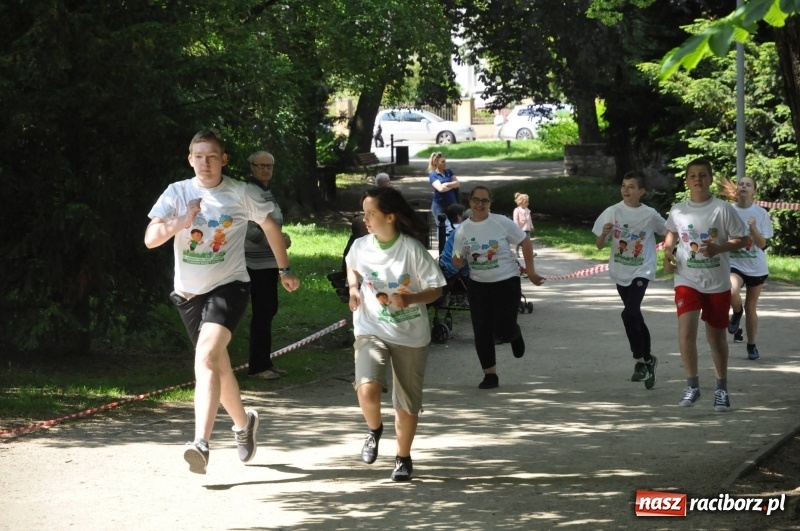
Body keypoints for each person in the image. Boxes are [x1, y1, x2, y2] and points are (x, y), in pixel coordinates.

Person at [144, 129, 300, 474]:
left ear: (223, 160)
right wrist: (181, 221)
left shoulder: (240, 192)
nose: (205, 163)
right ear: (190, 160)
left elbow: (271, 227)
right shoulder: (177, 192)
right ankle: (244, 424)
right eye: (199, 157)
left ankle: (200, 442)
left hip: (230, 286)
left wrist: (284, 269)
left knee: (206, 356)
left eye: (212, 157)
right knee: (219, 365)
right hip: (188, 293)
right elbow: (151, 239)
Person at [345, 187, 446, 482]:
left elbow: (436, 289)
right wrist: (353, 289)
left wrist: (411, 299)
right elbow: (351, 264)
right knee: (367, 387)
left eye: (371, 213)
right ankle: (374, 429)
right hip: (370, 327)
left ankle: (403, 457)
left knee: (406, 403)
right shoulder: (361, 246)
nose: (365, 219)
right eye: (364, 213)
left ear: (390, 217)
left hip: (410, 334)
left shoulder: (412, 249)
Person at [663, 158, 747, 412]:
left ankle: (721, 389)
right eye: (692, 175)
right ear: (687, 181)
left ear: (710, 179)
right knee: (686, 331)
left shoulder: (723, 209)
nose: (697, 179)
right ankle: (692, 386)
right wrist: (667, 252)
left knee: (716, 338)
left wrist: (719, 248)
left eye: (702, 175)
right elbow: (671, 232)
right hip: (686, 279)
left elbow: (742, 240)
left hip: (716, 282)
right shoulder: (678, 210)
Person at [451, 186, 544, 389]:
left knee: (504, 329)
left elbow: (525, 241)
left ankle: (514, 333)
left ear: (490, 203)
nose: (480, 204)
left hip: (506, 282)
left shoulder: (501, 222)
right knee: (482, 331)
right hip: (478, 285)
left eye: (484, 201)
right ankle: (490, 375)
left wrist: (531, 271)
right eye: (476, 200)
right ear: (470, 202)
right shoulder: (463, 229)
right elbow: (457, 258)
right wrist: (457, 261)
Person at [592, 171, 667, 389]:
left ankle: (640, 358)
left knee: (629, 313)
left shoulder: (650, 214)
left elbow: (668, 231)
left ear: (641, 191)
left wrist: (671, 251)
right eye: (624, 185)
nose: (626, 190)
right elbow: (599, 245)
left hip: (642, 269)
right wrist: (603, 234)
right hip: (620, 270)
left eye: (631, 187)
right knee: (635, 316)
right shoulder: (612, 212)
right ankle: (646, 361)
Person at [244, 150, 293, 380]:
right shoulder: (249, 191)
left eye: (269, 166)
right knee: (262, 312)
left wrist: (280, 240)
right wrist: (277, 241)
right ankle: (258, 366)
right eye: (260, 166)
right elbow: (249, 230)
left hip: (270, 261)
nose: (265, 170)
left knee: (268, 310)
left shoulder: (266, 191)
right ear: (251, 167)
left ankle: (265, 362)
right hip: (255, 263)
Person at [724, 176, 774, 360]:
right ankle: (737, 312)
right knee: (731, 290)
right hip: (734, 263)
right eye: (741, 184)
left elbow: (762, 244)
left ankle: (751, 345)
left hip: (755, 267)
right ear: (737, 188)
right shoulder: (727, 211)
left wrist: (753, 229)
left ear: (754, 190)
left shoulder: (761, 213)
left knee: (751, 307)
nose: (743, 186)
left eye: (748, 184)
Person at [428, 152, 459, 244]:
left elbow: (457, 183)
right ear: (436, 162)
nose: (445, 163)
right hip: (439, 206)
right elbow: (440, 189)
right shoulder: (433, 175)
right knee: (443, 226)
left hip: (452, 204)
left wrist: (446, 184)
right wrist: (451, 186)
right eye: (442, 162)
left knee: (453, 226)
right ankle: (442, 246)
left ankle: (451, 245)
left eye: (445, 161)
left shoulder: (449, 172)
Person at [512, 192, 534, 257]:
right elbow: (515, 220)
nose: (528, 203)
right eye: (526, 202)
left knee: (528, 241)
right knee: (519, 241)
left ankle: (529, 252)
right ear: (521, 202)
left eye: (528, 202)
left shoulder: (527, 210)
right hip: (520, 229)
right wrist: (516, 228)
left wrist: (531, 226)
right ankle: (516, 251)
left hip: (527, 228)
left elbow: (529, 219)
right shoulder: (517, 210)